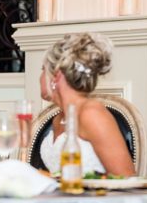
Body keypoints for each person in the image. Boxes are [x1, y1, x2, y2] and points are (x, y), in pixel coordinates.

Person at [37, 33, 134, 177]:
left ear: (56, 76)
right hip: (61, 198)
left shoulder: (92, 114)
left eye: (43, 70)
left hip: (94, 199)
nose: (40, 77)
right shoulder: (58, 118)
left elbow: (126, 179)